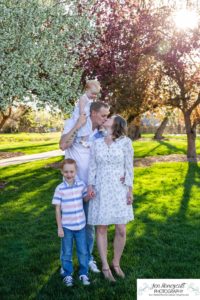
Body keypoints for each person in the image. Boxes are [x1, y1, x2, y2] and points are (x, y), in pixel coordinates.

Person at [59, 101, 110, 273]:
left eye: (107, 116)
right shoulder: (75, 122)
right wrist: (78, 125)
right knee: (67, 228)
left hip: (90, 188)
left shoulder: (101, 134)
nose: (105, 118)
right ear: (93, 113)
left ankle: (87, 259)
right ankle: (65, 262)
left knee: (88, 226)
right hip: (72, 188)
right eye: (103, 115)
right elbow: (63, 145)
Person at [87, 115, 134, 282]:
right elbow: (92, 166)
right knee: (102, 228)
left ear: (116, 124)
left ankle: (116, 263)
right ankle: (105, 266)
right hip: (100, 188)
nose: (106, 118)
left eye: (110, 117)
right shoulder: (96, 143)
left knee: (121, 228)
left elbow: (129, 167)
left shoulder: (126, 142)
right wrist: (90, 186)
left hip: (119, 189)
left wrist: (130, 190)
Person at [52, 158, 91, 287]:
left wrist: (89, 196)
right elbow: (57, 209)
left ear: (76, 171)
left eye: (71, 172)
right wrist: (59, 227)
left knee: (83, 251)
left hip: (80, 226)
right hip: (67, 227)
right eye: (66, 172)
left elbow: (85, 199)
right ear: (62, 172)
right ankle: (67, 275)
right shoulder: (60, 189)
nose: (69, 174)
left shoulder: (81, 185)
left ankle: (83, 273)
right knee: (67, 252)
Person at [65, 80, 101, 147]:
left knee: (88, 128)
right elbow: (81, 109)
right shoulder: (83, 98)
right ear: (87, 90)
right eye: (93, 93)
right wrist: (82, 115)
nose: (94, 96)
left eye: (96, 94)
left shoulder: (90, 99)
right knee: (84, 129)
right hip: (80, 116)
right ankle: (81, 140)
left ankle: (84, 141)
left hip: (86, 117)